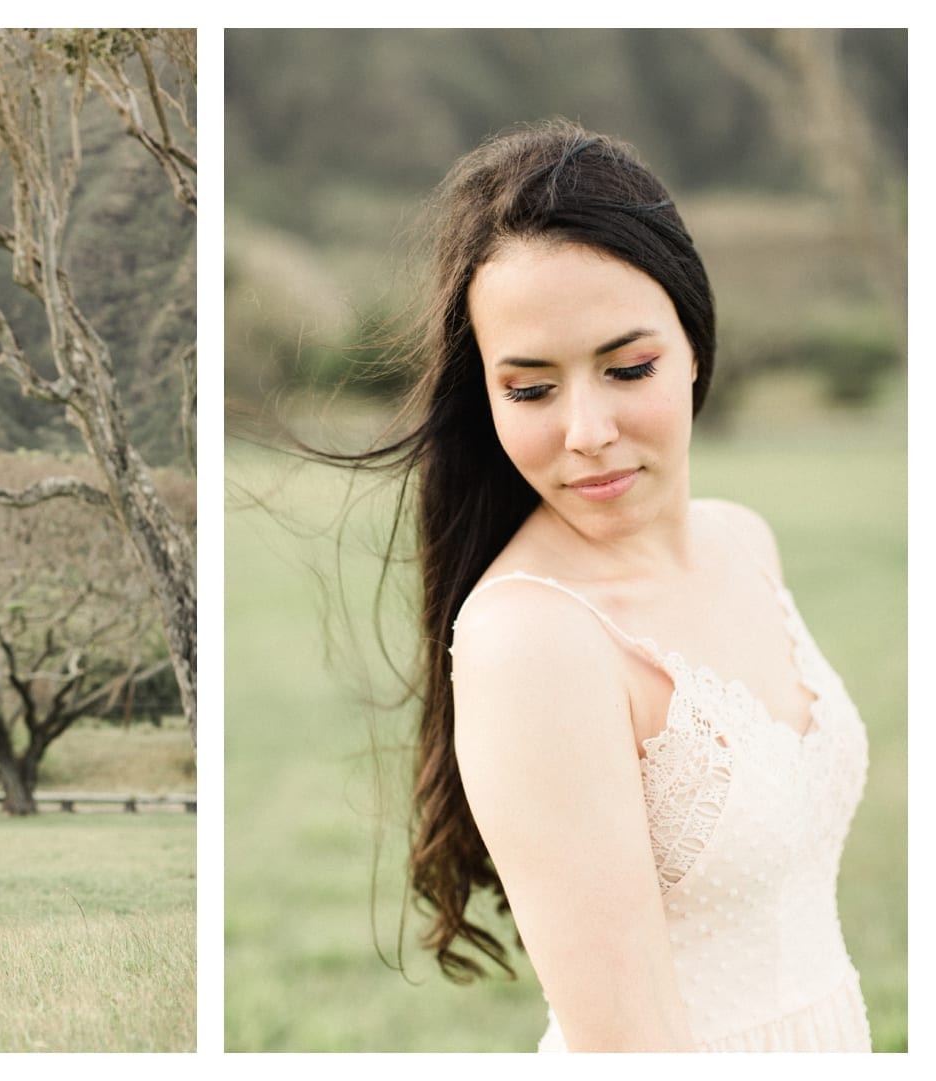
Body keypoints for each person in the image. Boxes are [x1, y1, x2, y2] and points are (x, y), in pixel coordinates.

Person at [357, 120, 870, 1051]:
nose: (587, 429)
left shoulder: (742, 541)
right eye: (530, 389)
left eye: (627, 367)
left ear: (694, 344)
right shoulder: (533, 640)